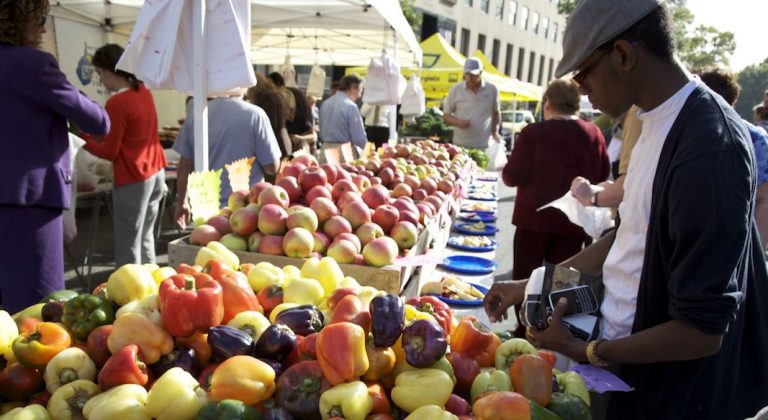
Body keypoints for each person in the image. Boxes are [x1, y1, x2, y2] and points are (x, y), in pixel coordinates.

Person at [484, 1, 768, 418]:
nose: (582, 90)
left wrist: (588, 350)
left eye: (583, 74)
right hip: (620, 366)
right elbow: (632, 231)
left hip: (664, 393)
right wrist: (531, 284)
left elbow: (701, 332)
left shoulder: (708, 148)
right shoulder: (655, 119)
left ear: (623, 55)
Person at [0, 0, 110, 312]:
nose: (44, 30)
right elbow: (98, 121)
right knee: (38, 310)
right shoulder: (34, 65)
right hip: (29, 202)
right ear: (23, 22)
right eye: (40, 21)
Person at [502, 79, 610, 336]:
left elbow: (511, 176)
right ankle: (553, 336)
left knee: (526, 280)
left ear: (548, 102)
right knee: (561, 284)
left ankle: (524, 333)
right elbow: (603, 176)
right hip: (573, 225)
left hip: (533, 222)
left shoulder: (534, 133)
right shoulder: (593, 133)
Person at [80, 44, 167, 266]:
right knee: (145, 237)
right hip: (156, 172)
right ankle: (152, 281)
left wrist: (82, 139)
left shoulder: (117, 102)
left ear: (108, 71)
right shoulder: (143, 91)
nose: (101, 80)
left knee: (128, 242)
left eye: (100, 74)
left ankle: (128, 286)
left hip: (133, 177)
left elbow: (110, 151)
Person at [173, 92, 282, 228]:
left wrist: (182, 202)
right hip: (247, 210)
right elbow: (271, 167)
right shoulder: (255, 115)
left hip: (205, 206)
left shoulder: (197, 114)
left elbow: (185, 165)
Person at [443, 57, 501, 149]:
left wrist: (495, 131)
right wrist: (459, 122)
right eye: (467, 74)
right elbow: (446, 116)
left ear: (480, 73)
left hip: (483, 145)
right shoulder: (456, 90)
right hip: (460, 144)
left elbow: (496, 113)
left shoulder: (492, 89)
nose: (470, 78)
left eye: (473, 75)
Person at [318, 74, 368, 154]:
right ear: (352, 88)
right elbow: (358, 137)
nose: (360, 95)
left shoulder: (325, 103)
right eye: (360, 90)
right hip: (343, 151)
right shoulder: (351, 106)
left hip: (325, 149)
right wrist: (367, 151)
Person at [245, 73, 291, 159]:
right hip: (278, 142)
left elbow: (272, 124)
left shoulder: (267, 98)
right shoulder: (270, 96)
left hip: (275, 145)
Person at [285, 87, 317, 155]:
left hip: (297, 154)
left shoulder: (301, 118)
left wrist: (300, 138)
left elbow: (313, 136)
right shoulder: (279, 119)